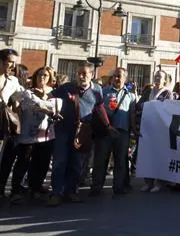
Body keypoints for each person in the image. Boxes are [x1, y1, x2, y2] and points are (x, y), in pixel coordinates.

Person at [48, 62, 110, 206]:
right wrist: (52, 110)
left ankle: (71, 191)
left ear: (92, 75)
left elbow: (100, 108)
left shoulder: (97, 90)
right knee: (60, 162)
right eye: (79, 73)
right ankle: (56, 193)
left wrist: (108, 125)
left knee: (76, 163)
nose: (81, 76)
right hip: (63, 129)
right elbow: (50, 98)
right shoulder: (66, 87)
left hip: (83, 132)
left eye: (84, 73)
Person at [10, 67, 58, 203]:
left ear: (50, 78)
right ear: (35, 77)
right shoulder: (27, 93)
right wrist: (17, 109)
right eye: (40, 75)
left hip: (47, 134)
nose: (42, 77)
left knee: (42, 163)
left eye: (45, 75)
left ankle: (35, 187)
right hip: (27, 134)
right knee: (23, 162)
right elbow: (14, 102)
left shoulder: (54, 94)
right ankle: (16, 189)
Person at [90, 67, 137, 197]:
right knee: (100, 160)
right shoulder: (103, 92)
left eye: (119, 76)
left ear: (125, 78)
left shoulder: (131, 95)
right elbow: (97, 110)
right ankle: (96, 187)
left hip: (122, 132)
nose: (116, 78)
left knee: (121, 161)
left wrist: (134, 131)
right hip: (105, 132)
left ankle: (119, 186)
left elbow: (132, 114)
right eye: (115, 76)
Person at [139, 70, 172, 193]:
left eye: (160, 77)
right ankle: (148, 182)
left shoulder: (168, 93)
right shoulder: (148, 91)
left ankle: (159, 182)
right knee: (147, 155)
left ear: (165, 79)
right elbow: (140, 104)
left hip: (160, 129)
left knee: (158, 155)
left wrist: (153, 105)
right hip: (147, 126)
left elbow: (168, 108)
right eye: (156, 76)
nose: (157, 78)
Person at [0, 48, 24, 200]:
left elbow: (24, 96)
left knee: (4, 158)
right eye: (10, 62)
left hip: (2, 125)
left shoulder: (13, 81)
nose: (13, 66)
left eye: (14, 63)